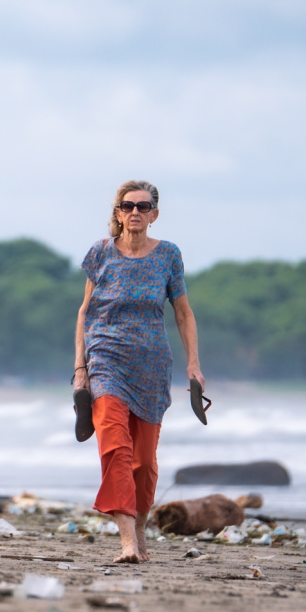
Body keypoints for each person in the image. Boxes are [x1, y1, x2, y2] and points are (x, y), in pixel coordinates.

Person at [74, 180, 206, 563]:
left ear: (155, 214)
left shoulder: (168, 256)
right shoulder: (100, 253)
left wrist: (193, 363)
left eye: (143, 207)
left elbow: (183, 312)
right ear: (118, 213)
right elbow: (85, 312)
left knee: (144, 462)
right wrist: (81, 368)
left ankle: (140, 528)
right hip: (105, 362)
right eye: (128, 206)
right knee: (115, 447)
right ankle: (127, 541)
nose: (136, 212)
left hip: (151, 367)